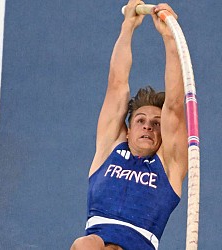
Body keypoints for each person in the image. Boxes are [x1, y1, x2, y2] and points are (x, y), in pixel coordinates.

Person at [71, 1, 187, 249]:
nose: (147, 127)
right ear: (129, 127)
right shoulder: (109, 148)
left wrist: (169, 38)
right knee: (85, 244)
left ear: (164, 133)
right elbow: (117, 84)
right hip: (96, 242)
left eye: (156, 124)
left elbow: (176, 105)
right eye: (141, 121)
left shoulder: (169, 165)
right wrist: (128, 27)